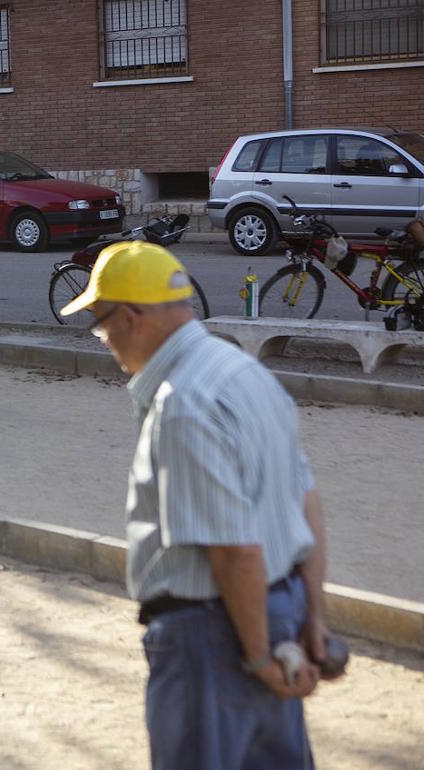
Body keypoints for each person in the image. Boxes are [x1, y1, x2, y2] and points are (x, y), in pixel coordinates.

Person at [60, 241, 341, 769]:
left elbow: (234, 549)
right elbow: (306, 504)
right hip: (279, 610)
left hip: (212, 633)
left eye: (100, 324)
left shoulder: (183, 404)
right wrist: (313, 619)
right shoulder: (243, 371)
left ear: (131, 317)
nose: (104, 339)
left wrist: (257, 656)